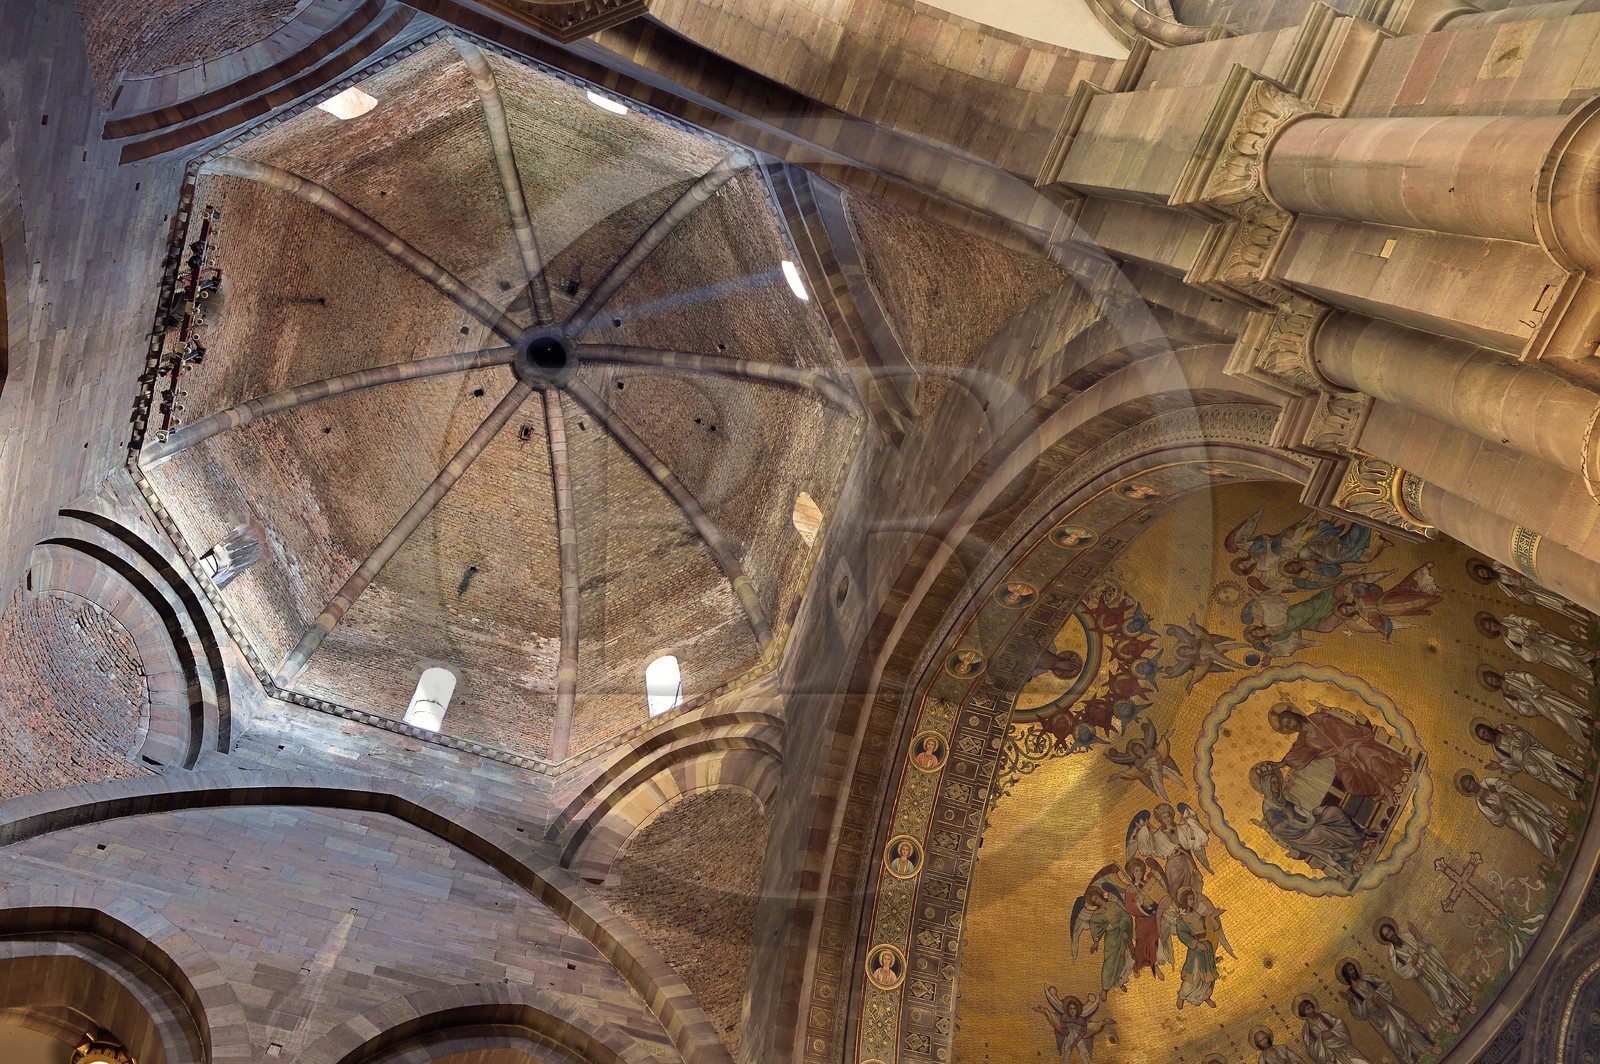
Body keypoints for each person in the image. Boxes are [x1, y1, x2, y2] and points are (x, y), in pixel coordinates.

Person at [1270, 700, 1412, 799]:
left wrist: (1346, 744)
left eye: (1289, 720)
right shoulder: (1303, 739)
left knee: (1368, 758)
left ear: (1294, 714)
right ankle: (1379, 791)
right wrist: (1283, 763)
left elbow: (1338, 726)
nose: (1290, 725)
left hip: (1352, 743)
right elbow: (1296, 753)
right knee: (1350, 785)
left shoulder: (1316, 718)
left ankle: (1396, 776)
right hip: (1341, 758)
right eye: (1286, 726)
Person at [1251, 763, 1370, 879]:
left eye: (1276, 782)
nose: (1276, 785)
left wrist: (1309, 814)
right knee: (1319, 830)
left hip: (1306, 824)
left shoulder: (1282, 799)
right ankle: (1350, 850)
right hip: (1299, 837)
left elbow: (1299, 812)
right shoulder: (1269, 808)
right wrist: (1290, 820)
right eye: (1273, 783)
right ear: (1266, 786)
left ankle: (1358, 836)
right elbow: (1277, 829)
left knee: (1333, 811)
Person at [1378, 921, 1474, 1033]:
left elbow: (1426, 945)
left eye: (1389, 931)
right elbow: (1401, 972)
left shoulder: (1408, 936)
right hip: (1421, 976)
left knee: (1447, 983)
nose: (1390, 934)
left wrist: (1417, 935)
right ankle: (1453, 1019)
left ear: (1393, 929)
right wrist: (1413, 963)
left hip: (1430, 965)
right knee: (1436, 995)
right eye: (1387, 935)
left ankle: (1466, 1004)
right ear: (1386, 939)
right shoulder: (1393, 954)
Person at [1340, 961, 1435, 1063]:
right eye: (1350, 970)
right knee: (1395, 1042)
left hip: (1390, 1009)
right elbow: (1360, 1015)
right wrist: (1353, 1001)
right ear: (1346, 975)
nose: (1353, 970)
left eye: (1353, 968)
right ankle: (1411, 1060)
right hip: (1379, 1020)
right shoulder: (1351, 994)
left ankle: (1428, 1047)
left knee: (1409, 1027)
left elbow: (1385, 984)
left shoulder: (1368, 978)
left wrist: (1377, 993)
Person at [1459, 773, 1568, 860]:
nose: (1471, 785)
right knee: (1531, 832)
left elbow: (1502, 784)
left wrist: (1504, 791)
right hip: (1511, 817)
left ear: (1473, 779)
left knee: (1538, 818)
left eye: (1470, 782)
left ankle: (1559, 837)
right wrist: (1498, 813)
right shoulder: (1480, 803)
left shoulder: (1487, 783)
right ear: (1469, 790)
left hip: (1516, 803)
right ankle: (1551, 851)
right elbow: (1496, 821)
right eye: (1468, 786)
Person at [1472, 720, 1583, 800]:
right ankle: (1574, 793)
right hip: (1529, 765)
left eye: (1484, 732)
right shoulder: (1497, 750)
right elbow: (1513, 764)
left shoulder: (1502, 728)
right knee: (1552, 781)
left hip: (1533, 752)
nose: (1485, 736)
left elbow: (1523, 734)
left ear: (1487, 728)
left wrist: (1514, 736)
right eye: (1483, 736)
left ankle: (1579, 778)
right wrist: (1500, 766)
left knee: (1557, 763)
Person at [1485, 668, 1593, 742]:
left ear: (1494, 675)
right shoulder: (1507, 696)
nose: (1494, 682)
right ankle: (1587, 736)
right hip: (1540, 706)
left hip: (1544, 694)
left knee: (1568, 706)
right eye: (1491, 683)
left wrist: (1534, 686)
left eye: (1492, 679)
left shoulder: (1509, 675)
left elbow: (1526, 676)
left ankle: (1591, 721)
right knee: (1563, 722)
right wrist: (1521, 699)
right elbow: (1523, 711)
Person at [1482, 613, 1597, 682]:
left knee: (1569, 648)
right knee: (1566, 663)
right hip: (1541, 651)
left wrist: (1530, 625)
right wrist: (1527, 647)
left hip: (1543, 638)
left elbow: (1522, 620)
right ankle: (1591, 675)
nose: (1493, 626)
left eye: (1490, 624)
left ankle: (1590, 657)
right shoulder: (1508, 642)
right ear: (1491, 631)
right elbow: (1524, 655)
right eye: (1490, 628)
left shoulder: (1509, 620)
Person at [1471, 559, 1590, 624]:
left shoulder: (1497, 564)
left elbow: (1512, 558)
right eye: (1484, 575)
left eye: (1484, 571)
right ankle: (1588, 609)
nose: (1486, 574)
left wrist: (1510, 568)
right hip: (1534, 591)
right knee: (1560, 601)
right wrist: (1521, 593)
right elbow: (1528, 601)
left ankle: (1586, 595)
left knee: (1559, 585)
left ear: (1485, 568)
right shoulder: (1503, 586)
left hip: (1532, 576)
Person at [1166, 887, 1219, 1009]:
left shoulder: (1197, 915)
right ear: (1185, 901)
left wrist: (1212, 917)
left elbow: (1207, 924)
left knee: (1209, 976)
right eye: (1190, 899)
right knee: (1194, 976)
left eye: (1193, 898)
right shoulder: (1182, 919)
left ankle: (1205, 996)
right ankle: (1182, 996)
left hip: (1207, 947)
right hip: (1196, 950)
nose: (1193, 901)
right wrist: (1196, 943)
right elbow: (1182, 934)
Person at [1033, 988, 1113, 1063]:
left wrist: (1103, 1022)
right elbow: (1057, 1022)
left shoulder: (1081, 1020)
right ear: (1067, 1009)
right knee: (1067, 1051)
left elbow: (1089, 1028)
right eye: (1070, 1008)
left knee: (1082, 1052)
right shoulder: (1064, 1017)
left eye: (1074, 1008)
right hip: (1070, 1035)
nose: (1072, 1011)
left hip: (1078, 1037)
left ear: (1077, 1009)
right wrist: (1044, 1011)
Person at [1122, 858, 1169, 980]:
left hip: (1153, 917)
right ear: (1132, 873)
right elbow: (1129, 906)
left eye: (1140, 870)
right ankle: (1137, 966)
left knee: (1154, 942)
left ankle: (1155, 965)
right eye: (1136, 871)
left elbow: (1157, 895)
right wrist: (1139, 903)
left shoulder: (1147, 884)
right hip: (1142, 920)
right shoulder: (1130, 889)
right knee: (1142, 945)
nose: (1139, 873)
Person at [1297, 997, 1371, 1064]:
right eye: (1308, 1009)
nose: (1312, 1010)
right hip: (1329, 1054)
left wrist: (1332, 1032)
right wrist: (1321, 1039)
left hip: (1342, 1045)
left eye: (1311, 1007)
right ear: (1304, 1013)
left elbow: (1340, 1023)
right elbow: (1311, 1049)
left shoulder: (1324, 1015)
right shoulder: (1306, 1030)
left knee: (1358, 1061)